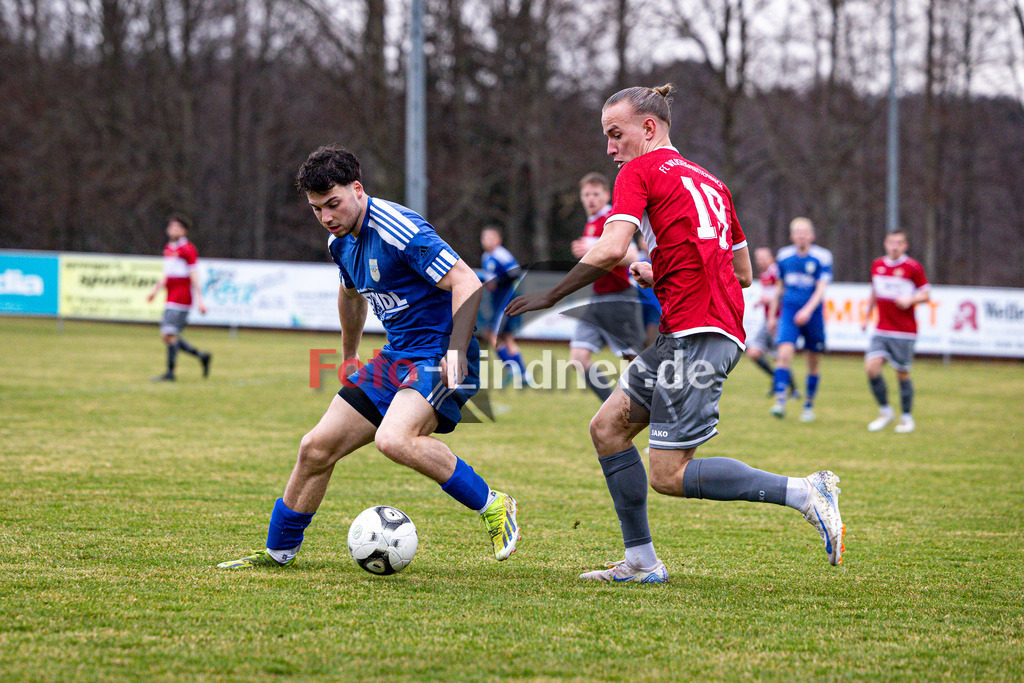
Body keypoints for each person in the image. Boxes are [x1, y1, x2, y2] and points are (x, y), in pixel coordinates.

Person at [506, 84, 844, 583]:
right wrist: (659, 268)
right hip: (695, 329)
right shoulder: (711, 181)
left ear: (648, 128)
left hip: (698, 332)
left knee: (669, 473)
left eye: (615, 134)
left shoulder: (638, 171)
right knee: (607, 429)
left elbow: (608, 248)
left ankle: (804, 491)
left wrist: (550, 296)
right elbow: (743, 272)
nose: (609, 148)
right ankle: (642, 563)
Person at [218, 146, 521, 569]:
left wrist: (456, 351)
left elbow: (466, 281)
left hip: (439, 349)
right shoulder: (340, 243)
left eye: (333, 204)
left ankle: (493, 504)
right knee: (315, 448)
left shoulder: (399, 229)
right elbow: (350, 295)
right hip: (396, 354)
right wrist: (348, 353)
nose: (326, 216)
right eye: (316, 208)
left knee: (393, 439)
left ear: (357, 189)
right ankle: (279, 550)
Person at [569, 172, 642, 401]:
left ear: (606, 195)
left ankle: (666, 400)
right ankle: (613, 407)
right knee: (578, 359)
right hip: (596, 299)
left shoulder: (612, 218)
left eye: (596, 194)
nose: (590, 199)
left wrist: (594, 248)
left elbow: (632, 255)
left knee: (635, 361)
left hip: (618, 298)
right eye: (586, 194)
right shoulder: (591, 223)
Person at [862, 230, 930, 433]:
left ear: (905, 246)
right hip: (882, 327)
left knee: (902, 373)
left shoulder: (913, 267)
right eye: (891, 242)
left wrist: (911, 300)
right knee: (871, 368)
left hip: (904, 331)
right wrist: (867, 315)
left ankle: (907, 418)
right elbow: (874, 291)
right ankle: (885, 411)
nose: (894, 246)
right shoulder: (877, 265)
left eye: (899, 243)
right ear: (885, 243)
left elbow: (926, 294)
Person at [768, 218, 833, 422]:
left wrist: (807, 310)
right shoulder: (784, 256)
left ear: (812, 235)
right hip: (789, 312)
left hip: (812, 314)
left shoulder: (822, 257)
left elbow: (821, 289)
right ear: (792, 235)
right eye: (797, 232)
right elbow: (779, 287)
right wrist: (771, 315)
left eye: (805, 232)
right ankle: (780, 401)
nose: (801, 235)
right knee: (784, 354)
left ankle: (808, 405)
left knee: (812, 360)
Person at [146, 215, 211, 381]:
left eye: (177, 227)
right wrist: (155, 291)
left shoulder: (188, 249)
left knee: (168, 333)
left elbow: (194, 274)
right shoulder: (169, 248)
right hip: (171, 295)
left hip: (182, 297)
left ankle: (170, 373)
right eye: (171, 226)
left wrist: (200, 300)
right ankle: (201, 356)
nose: (173, 230)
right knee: (169, 335)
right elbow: (167, 274)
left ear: (184, 231)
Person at [745, 247, 797, 397]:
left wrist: (768, 304)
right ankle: (777, 380)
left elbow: (783, 293)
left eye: (763, 258)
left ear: (771, 258)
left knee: (780, 357)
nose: (760, 261)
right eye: (758, 258)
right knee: (753, 353)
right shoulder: (764, 275)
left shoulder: (777, 272)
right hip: (768, 320)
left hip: (779, 319)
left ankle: (793, 390)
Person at [480, 226, 528, 385]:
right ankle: (524, 375)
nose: (486, 241)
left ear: (498, 240)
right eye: (484, 238)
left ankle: (511, 368)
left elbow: (515, 273)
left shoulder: (501, 254)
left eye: (490, 237)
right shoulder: (486, 256)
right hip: (497, 302)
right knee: (507, 338)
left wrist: (497, 281)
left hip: (507, 300)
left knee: (492, 336)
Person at [633, 232, 661, 349]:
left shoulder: (659, 259)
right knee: (638, 337)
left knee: (651, 333)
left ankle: (650, 359)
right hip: (639, 305)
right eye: (643, 239)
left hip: (655, 304)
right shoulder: (636, 260)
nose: (645, 242)